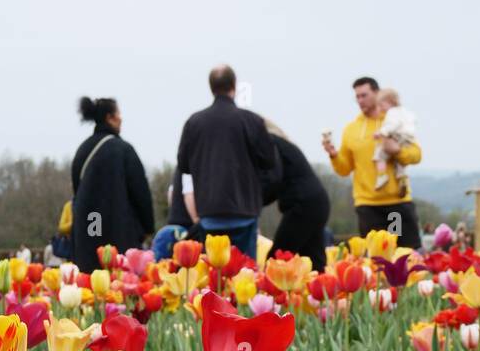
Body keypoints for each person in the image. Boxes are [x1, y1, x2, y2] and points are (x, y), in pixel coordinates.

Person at [175, 65, 279, 261]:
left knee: (216, 273)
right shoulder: (252, 121)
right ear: (234, 86)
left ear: (211, 88)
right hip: (244, 211)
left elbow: (184, 165)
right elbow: (269, 161)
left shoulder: (194, 123)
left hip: (209, 212)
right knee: (246, 274)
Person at [323, 76, 422, 246]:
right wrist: (333, 155)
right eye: (357, 97)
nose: (360, 100)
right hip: (367, 206)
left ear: (377, 94)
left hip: (395, 205)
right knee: (375, 259)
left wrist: (397, 151)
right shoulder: (351, 130)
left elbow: (416, 155)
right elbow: (344, 169)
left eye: (364, 95)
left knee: (400, 253)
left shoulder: (394, 122)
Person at [71, 95, 154, 272]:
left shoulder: (82, 151)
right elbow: (140, 192)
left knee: (92, 282)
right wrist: (148, 227)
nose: (121, 117)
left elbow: (77, 191)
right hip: (120, 231)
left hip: (90, 229)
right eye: (118, 113)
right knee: (118, 284)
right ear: (110, 117)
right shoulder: (123, 149)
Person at [263, 123, 330, 271]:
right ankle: (321, 292)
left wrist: (253, 203)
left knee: (277, 261)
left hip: (302, 203)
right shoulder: (284, 144)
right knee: (313, 260)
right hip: (318, 201)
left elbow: (273, 179)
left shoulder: (270, 142)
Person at [371, 88, 418, 197]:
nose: (381, 108)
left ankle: (381, 176)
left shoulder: (392, 112)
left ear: (390, 102)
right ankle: (402, 178)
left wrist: (381, 133)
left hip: (397, 136)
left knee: (379, 154)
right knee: (399, 161)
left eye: (382, 105)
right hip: (408, 138)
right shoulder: (406, 112)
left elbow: (393, 125)